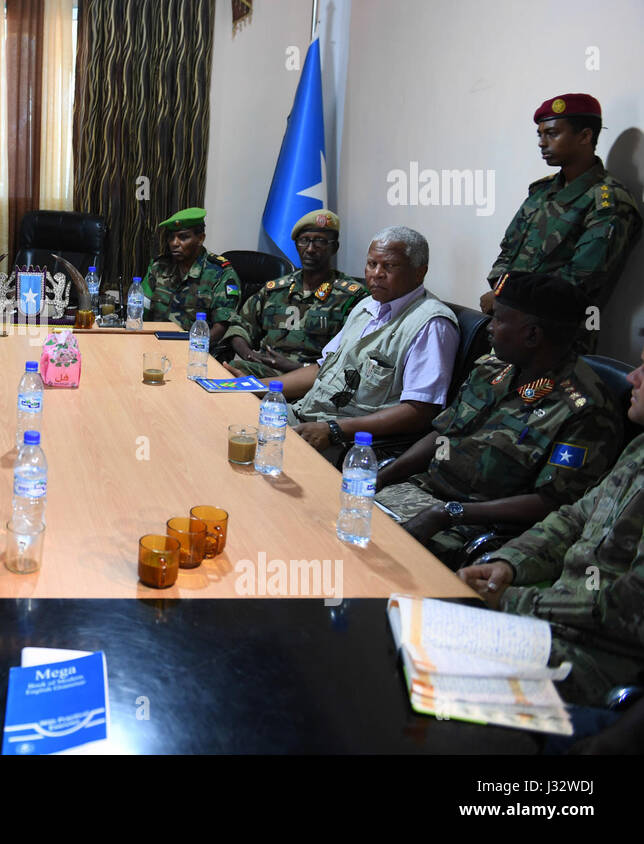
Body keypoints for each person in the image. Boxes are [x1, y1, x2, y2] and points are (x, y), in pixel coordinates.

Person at [375, 273, 621, 567]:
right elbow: (443, 434)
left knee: (376, 561)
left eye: (499, 319)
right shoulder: (492, 370)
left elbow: (552, 503)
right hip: (422, 493)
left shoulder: (585, 410)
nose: (489, 327)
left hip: (476, 525)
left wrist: (448, 513)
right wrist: (382, 476)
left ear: (532, 335)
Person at [458, 347, 644, 707]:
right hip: (549, 618)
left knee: (433, 668)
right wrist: (508, 564)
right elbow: (574, 518)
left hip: (598, 657)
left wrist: (510, 599)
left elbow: (627, 609)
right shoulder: (640, 447)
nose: (632, 377)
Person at [274, 226, 459, 464]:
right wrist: (256, 386)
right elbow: (322, 369)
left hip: (348, 442)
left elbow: (420, 411)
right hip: (304, 415)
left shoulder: (431, 324)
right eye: (372, 264)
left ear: (419, 272)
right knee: (236, 420)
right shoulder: (366, 306)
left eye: (389, 266)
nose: (377, 274)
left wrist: (334, 429)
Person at [481, 93, 641, 345]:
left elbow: (579, 279)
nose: (542, 143)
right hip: (508, 325)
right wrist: (501, 293)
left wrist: (503, 293)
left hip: (555, 341)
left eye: (552, 134)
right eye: (540, 135)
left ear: (585, 136)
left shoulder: (609, 201)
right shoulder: (542, 191)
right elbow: (508, 251)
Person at [220, 209, 367, 376]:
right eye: (304, 241)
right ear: (296, 245)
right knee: (225, 372)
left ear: (334, 247)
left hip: (313, 380)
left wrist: (295, 367)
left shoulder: (351, 297)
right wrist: (250, 355)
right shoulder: (275, 290)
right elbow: (239, 326)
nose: (310, 249)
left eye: (320, 241)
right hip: (265, 370)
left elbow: (348, 359)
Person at [139, 207, 241, 335]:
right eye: (171, 237)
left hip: (196, 344)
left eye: (183, 237)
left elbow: (221, 328)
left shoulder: (221, 274)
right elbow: (140, 310)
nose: (174, 243)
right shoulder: (159, 266)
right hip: (155, 341)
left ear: (200, 239)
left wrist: (190, 344)